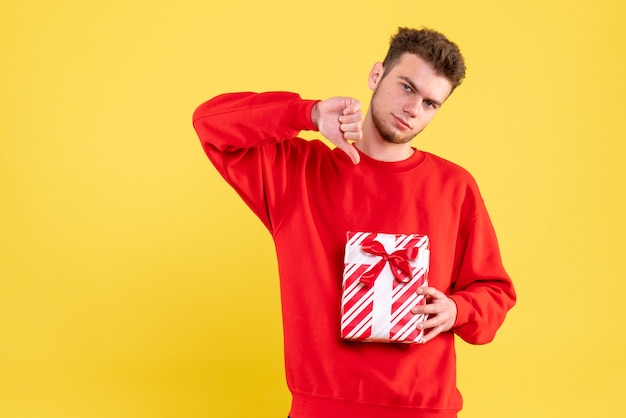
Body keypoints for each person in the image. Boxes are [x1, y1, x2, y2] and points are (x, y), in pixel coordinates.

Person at [192, 27, 516, 418]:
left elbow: (494, 293)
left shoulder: (455, 187)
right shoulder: (297, 172)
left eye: (431, 103)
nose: (414, 109)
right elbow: (210, 123)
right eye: (407, 88)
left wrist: (457, 310)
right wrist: (307, 114)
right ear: (376, 76)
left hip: (423, 407)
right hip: (323, 407)